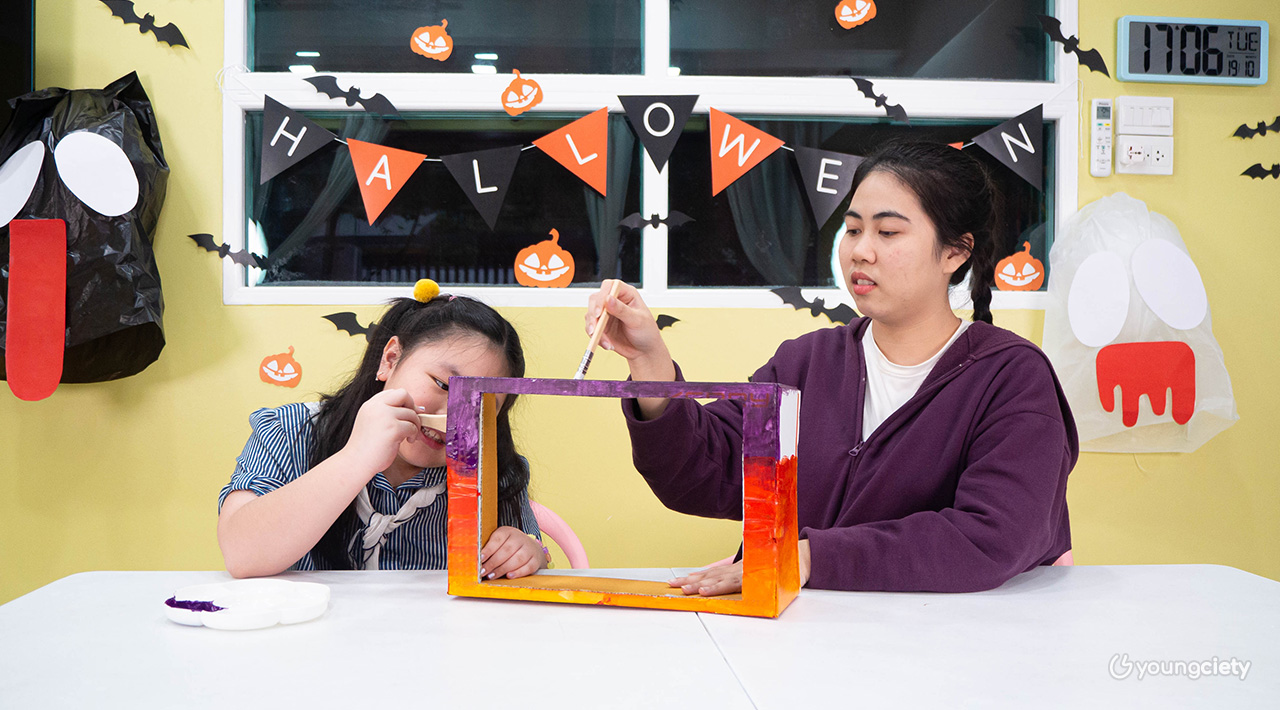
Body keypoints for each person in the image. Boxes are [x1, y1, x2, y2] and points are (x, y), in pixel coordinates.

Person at [585, 140, 1077, 595]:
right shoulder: (805, 363)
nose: (860, 250)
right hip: (804, 637)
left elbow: (992, 536)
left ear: (955, 251)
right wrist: (648, 359)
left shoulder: (1012, 377)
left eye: (888, 232)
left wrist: (808, 557)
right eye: (854, 229)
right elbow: (703, 472)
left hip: (950, 646)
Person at [218, 280, 547, 578]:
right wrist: (356, 457)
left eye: (480, 405)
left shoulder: (495, 471)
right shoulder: (290, 431)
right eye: (443, 385)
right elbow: (241, 555)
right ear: (390, 359)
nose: (453, 417)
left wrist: (526, 554)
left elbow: (527, 565)